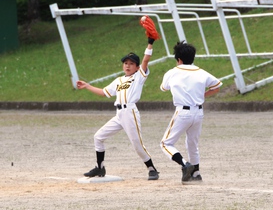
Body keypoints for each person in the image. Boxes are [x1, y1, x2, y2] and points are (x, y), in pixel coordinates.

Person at [76, 26, 159, 180]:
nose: (127, 65)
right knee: (98, 137)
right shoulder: (119, 80)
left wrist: (150, 42)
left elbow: (146, 60)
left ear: (136, 67)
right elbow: (104, 92)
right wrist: (87, 86)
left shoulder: (139, 77)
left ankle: (152, 169)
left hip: (130, 113)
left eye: (131, 63)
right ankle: (100, 168)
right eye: (125, 63)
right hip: (119, 114)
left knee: (136, 144)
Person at [159, 41, 222, 184]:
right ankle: (196, 173)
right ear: (193, 57)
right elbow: (217, 86)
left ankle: (184, 164)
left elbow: (164, 88)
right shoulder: (201, 72)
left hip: (183, 112)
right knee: (192, 143)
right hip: (198, 112)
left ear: (178, 59)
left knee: (165, 143)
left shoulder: (172, 72)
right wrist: (201, 96)